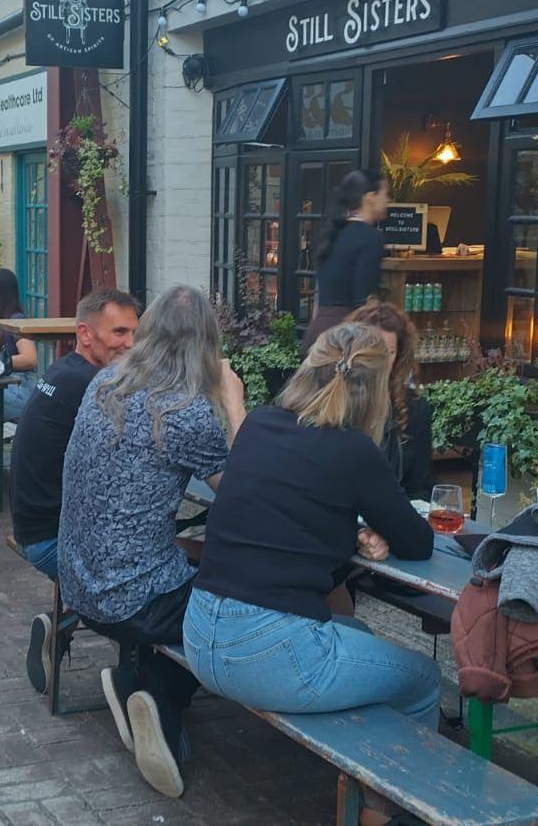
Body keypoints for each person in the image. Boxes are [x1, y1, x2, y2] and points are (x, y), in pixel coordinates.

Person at [182, 322, 439, 825]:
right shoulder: (355, 451)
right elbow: (418, 540)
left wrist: (353, 532)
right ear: (376, 391)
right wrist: (373, 531)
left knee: (360, 636)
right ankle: (390, 812)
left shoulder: (257, 423)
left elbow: (283, 514)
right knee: (424, 680)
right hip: (269, 654)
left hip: (200, 632)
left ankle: (368, 789)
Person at [58, 285, 247, 799]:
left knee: (184, 568)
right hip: (133, 600)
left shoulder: (103, 383)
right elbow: (250, 496)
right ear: (206, 345)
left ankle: (134, 683)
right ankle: (159, 696)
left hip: (74, 584)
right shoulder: (185, 412)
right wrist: (234, 405)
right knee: (238, 608)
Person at [12, 289, 141, 695]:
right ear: (85, 334)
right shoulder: (95, 386)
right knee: (156, 580)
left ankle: (64, 621)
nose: (130, 344)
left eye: (134, 333)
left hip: (38, 528)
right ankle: (139, 686)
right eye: (119, 332)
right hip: (55, 542)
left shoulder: (65, 372)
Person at [345, 299, 435, 500]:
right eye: (374, 350)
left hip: (392, 520)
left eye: (390, 352)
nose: (382, 360)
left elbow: (420, 487)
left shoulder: (415, 408)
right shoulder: (337, 403)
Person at [303, 168, 390, 349]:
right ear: (370, 197)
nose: (388, 201)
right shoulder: (370, 237)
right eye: (385, 194)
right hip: (345, 337)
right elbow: (364, 301)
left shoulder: (333, 233)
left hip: (318, 332)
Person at [0, 268, 38, 422]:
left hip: (21, 391)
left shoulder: (16, 319)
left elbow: (30, 359)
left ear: (4, 293)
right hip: (3, 387)